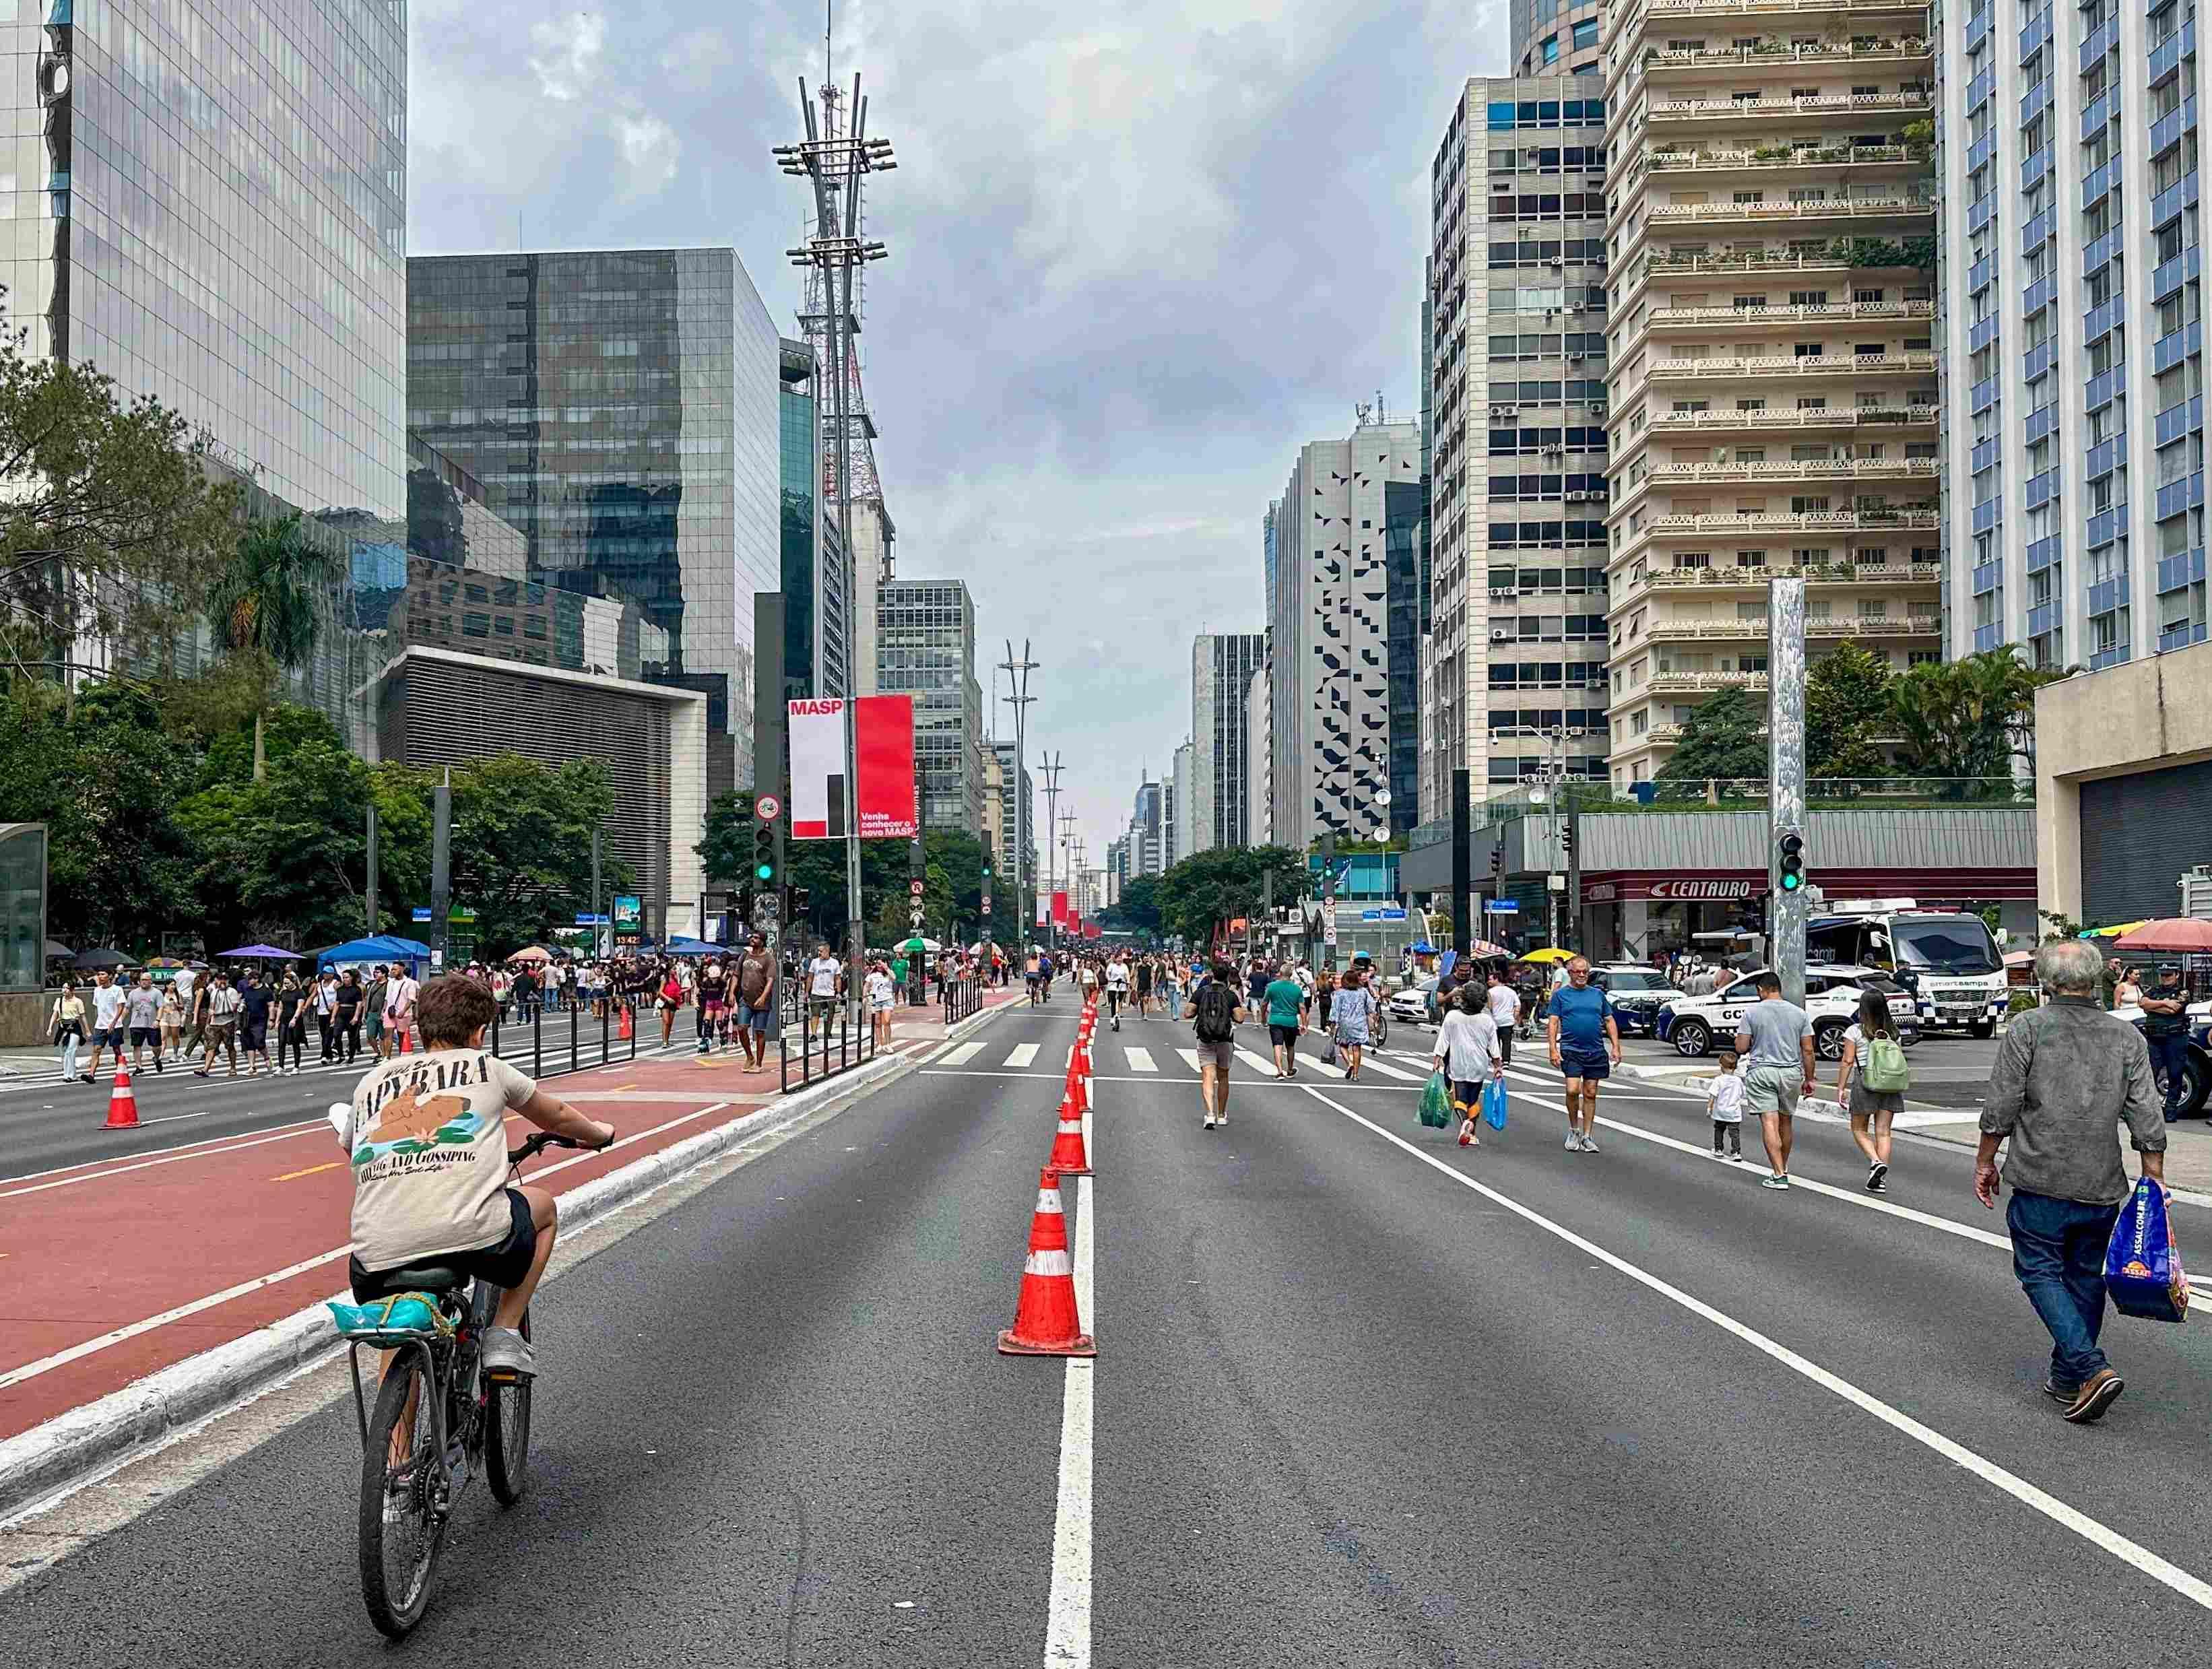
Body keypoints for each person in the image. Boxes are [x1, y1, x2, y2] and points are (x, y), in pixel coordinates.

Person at [341, 974, 616, 1382]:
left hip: (374, 1257)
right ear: (479, 1031)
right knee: (544, 1209)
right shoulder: (487, 1067)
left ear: (420, 1026)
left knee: (401, 1338)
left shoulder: (372, 1081)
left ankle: (392, 1449)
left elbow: (351, 1144)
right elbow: (556, 1115)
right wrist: (597, 1135)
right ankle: (504, 1331)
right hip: (479, 1242)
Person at [1978, 939, 2166, 1423]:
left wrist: (1985, 1162)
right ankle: (2067, 1379)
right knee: (2085, 1276)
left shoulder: (2029, 1028)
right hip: (2101, 1182)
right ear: (2096, 977)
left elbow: (2002, 1105)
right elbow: (2146, 1111)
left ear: (2047, 980)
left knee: (2039, 1272)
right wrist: (2154, 1177)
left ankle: (2089, 1367)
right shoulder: (2125, 1038)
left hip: (2041, 1176)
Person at [1733, 970, 1816, 1191]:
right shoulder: (1800, 1014)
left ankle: (1779, 1174)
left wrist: (1741, 1040)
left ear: (1761, 990)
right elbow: (1808, 1050)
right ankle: (1784, 1167)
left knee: (1770, 1123)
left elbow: (1741, 1048)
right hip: (1791, 1073)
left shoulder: (1752, 1013)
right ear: (1779, 989)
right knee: (1786, 1122)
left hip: (1762, 1072)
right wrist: (1809, 1079)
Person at [1546, 956, 1621, 1153]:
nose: (1581, 975)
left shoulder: (1597, 995)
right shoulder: (1561, 996)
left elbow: (1609, 1020)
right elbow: (1553, 1022)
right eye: (1577, 972)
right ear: (1570, 973)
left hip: (1595, 1050)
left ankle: (1587, 1136)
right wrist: (1553, 1048)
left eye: (1585, 972)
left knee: (1591, 1093)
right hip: (1571, 1049)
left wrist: (1616, 1047)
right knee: (1572, 1090)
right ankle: (1574, 1129)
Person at [1835, 987, 1907, 1194]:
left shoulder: (1855, 1031)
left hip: (1865, 1082)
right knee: (1884, 1132)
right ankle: (1880, 1179)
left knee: (1859, 1128)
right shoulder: (1893, 1033)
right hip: (1891, 1084)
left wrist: (1841, 1088)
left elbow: (1848, 1061)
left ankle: (1875, 1162)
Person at [1433, 985, 1503, 1147]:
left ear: (1463, 1000)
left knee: (1460, 1098)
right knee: (1473, 1099)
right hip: (1479, 1064)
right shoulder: (1487, 1020)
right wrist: (1498, 1066)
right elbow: (1494, 1048)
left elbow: (1444, 1040)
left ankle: (1465, 1123)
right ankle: (1471, 1134)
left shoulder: (1452, 1016)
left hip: (1459, 1063)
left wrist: (1437, 1058)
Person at [1183, 960, 1247, 1129]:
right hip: (1225, 1040)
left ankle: (1210, 1114)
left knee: (1208, 1076)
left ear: (1212, 974)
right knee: (1223, 1076)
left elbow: (1188, 1013)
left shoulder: (1201, 992)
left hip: (1205, 1039)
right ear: (1227, 976)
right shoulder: (1230, 995)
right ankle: (1221, 1114)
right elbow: (1240, 1018)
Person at [2139, 964, 2192, 1121]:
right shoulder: (2153, 990)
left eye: (2169, 975)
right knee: (2149, 1075)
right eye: (2163, 975)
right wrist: (2164, 1003)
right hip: (2154, 1039)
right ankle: (2150, 1111)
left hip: (2175, 1039)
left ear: (2177, 975)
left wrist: (2153, 1006)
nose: (2165, 978)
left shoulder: (2182, 992)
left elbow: (2173, 1009)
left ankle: (2170, 1112)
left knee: (2175, 1075)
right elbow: (2143, 1004)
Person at [1329, 964, 1379, 1083]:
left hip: (1345, 1022)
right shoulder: (1363, 992)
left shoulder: (1340, 993)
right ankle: (1356, 1074)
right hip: (1359, 1022)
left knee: (1343, 1045)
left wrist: (1333, 1023)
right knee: (1357, 1048)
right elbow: (1371, 1006)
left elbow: (1335, 1009)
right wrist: (1373, 1015)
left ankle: (1349, 1063)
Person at [733, 932, 776, 1070]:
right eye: (752, 937)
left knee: (759, 1032)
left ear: (762, 942)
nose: (752, 939)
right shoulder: (744, 956)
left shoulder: (769, 959)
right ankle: (750, 1057)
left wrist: (763, 997)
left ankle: (759, 1063)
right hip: (745, 999)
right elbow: (736, 975)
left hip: (762, 1001)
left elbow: (770, 980)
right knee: (741, 1028)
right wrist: (730, 992)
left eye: (756, 938)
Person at [1261, 961, 1306, 1079]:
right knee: (1290, 1046)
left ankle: (1280, 1070)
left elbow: (1264, 1003)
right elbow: (1302, 1007)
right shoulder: (1297, 989)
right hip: (1291, 1021)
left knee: (1277, 1045)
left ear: (1280, 973)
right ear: (1291, 975)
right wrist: (1304, 1023)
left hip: (1276, 1020)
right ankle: (1290, 1069)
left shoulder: (1272, 987)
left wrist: (1263, 1018)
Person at [84, 970, 126, 1084]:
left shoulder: (117, 990)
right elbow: (98, 1007)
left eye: (103, 974)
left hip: (115, 1025)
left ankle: (120, 1072)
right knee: (96, 1049)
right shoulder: (97, 990)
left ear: (110, 976)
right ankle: (91, 1074)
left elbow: (121, 1007)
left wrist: (113, 1023)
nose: (100, 977)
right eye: (99, 974)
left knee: (116, 1049)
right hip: (100, 1025)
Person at [197, 973, 242, 1077]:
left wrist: (217, 1013)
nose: (222, 982)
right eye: (220, 979)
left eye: (225, 979)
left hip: (227, 1023)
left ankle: (233, 1067)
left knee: (230, 1046)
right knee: (211, 1047)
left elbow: (233, 1008)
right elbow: (211, 1008)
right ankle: (205, 1069)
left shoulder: (232, 992)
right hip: (215, 1024)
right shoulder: (214, 992)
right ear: (216, 980)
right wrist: (208, 1022)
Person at [1707, 1049, 1747, 1161]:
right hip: (1734, 1112)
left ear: (1721, 1065)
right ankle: (1736, 1152)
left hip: (1720, 1111)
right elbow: (1741, 1094)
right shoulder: (1738, 1081)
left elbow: (1713, 1095)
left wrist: (1709, 1107)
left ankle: (1718, 1149)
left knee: (1719, 1129)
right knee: (1734, 1133)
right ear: (1735, 1067)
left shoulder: (1719, 1080)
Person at [122, 971, 164, 1075]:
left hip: (152, 1023)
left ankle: (157, 1058)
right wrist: (120, 1021)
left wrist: (158, 1020)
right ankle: (139, 1067)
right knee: (137, 1046)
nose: (144, 982)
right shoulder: (133, 993)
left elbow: (161, 1007)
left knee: (156, 1046)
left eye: (146, 980)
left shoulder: (157, 992)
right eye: (142, 980)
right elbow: (127, 1008)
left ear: (151, 981)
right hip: (136, 1024)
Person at [274, 970, 313, 1076]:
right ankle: (281, 1066)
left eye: (287, 983)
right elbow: (281, 1007)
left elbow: (300, 1007)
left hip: (295, 1020)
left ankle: (296, 1066)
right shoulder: (283, 992)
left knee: (295, 1042)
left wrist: (294, 1019)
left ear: (293, 982)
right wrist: (277, 1021)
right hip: (284, 1019)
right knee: (281, 1042)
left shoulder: (299, 993)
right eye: (284, 983)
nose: (286, 985)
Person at [48, 981, 88, 1083]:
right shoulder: (59, 1001)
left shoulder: (78, 1001)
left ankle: (71, 1075)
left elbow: (83, 1016)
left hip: (74, 1027)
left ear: (73, 990)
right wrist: (50, 1028)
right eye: (63, 988)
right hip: (63, 1028)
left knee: (71, 1051)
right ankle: (67, 1074)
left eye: (67, 988)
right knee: (64, 1052)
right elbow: (55, 1015)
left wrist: (87, 1030)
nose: (64, 990)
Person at [1485, 967, 1522, 1068]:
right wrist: (1515, 1017)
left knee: (1494, 1041)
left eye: (1491, 979)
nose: (1489, 981)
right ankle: (1506, 1061)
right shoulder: (1511, 991)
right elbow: (1518, 1005)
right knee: (1507, 1042)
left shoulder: (1490, 992)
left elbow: (1489, 1007)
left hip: (1494, 1020)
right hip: (1508, 1020)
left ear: (1497, 979)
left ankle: (1496, 1059)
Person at [381, 962, 420, 1057]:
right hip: (390, 1011)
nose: (393, 971)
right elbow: (387, 997)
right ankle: (387, 1057)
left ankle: (402, 1055)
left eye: (395, 969)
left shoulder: (410, 983)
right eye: (392, 969)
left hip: (403, 1013)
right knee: (387, 1034)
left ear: (402, 969)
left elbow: (411, 999)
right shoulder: (390, 982)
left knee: (402, 1036)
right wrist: (384, 1009)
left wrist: (403, 1011)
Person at [807, 942, 844, 1039]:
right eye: (818, 951)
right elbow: (810, 977)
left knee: (830, 1015)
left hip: (830, 993)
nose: (819, 953)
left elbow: (838, 978)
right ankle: (814, 1034)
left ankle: (828, 1032)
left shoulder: (834, 963)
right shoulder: (815, 962)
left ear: (827, 951)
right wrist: (807, 992)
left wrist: (839, 992)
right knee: (815, 1014)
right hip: (816, 992)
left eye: (821, 951)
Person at [331, 969, 365, 1065]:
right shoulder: (340, 989)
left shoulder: (356, 989)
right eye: (343, 978)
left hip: (351, 1012)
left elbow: (359, 1004)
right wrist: (333, 1017)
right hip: (341, 1013)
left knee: (352, 1037)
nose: (345, 979)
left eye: (347, 977)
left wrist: (356, 1017)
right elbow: (337, 1003)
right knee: (336, 1035)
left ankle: (351, 1056)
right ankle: (341, 1055)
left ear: (351, 978)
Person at [866, 958, 897, 1047]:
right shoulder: (872, 974)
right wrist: (865, 997)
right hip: (876, 1000)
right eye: (878, 964)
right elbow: (866, 985)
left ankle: (888, 1044)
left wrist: (886, 968)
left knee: (887, 1021)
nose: (879, 965)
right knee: (877, 1023)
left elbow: (894, 978)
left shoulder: (888, 973)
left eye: (881, 963)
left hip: (887, 999)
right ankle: (880, 1044)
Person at [156, 978, 185, 1068]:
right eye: (171, 985)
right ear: (167, 985)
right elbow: (158, 1006)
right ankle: (161, 1055)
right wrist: (165, 1010)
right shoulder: (162, 994)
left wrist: (176, 1005)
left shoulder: (178, 994)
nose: (173, 986)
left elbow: (182, 1006)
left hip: (175, 1016)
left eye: (174, 985)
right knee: (163, 1037)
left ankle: (175, 1054)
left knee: (175, 1036)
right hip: (164, 1017)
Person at [1105, 953, 1131, 1029]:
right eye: (1118, 958)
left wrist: (1128, 981)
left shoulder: (1124, 966)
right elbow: (1107, 973)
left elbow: (1127, 974)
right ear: (1115, 959)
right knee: (1113, 1001)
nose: (1119, 960)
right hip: (1113, 985)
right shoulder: (1112, 966)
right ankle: (1113, 1016)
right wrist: (1109, 979)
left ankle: (1118, 1014)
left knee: (1120, 1001)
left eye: (1121, 958)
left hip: (1122, 986)